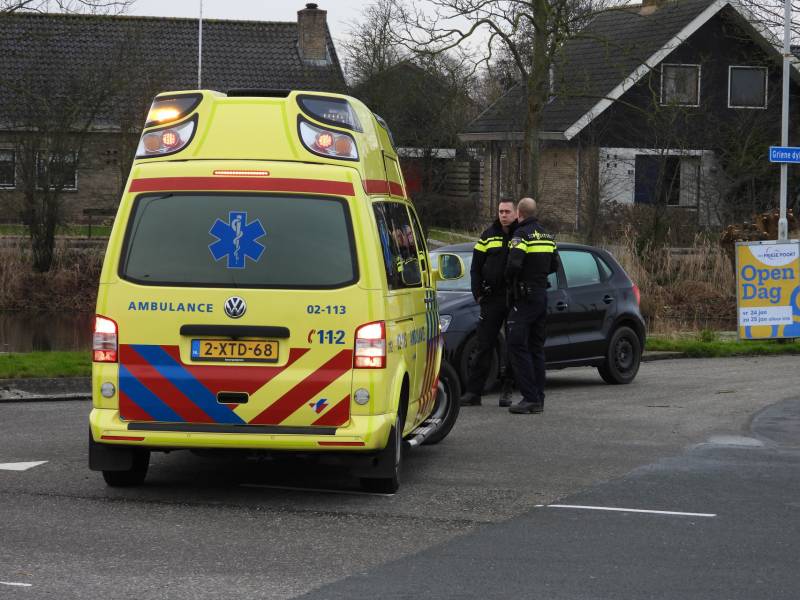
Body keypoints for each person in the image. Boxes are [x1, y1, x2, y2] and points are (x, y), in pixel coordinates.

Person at [459, 199, 518, 407]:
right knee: (483, 344)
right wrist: (477, 293)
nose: (503, 215)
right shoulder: (488, 235)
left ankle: (507, 391)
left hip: (514, 297)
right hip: (491, 298)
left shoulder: (520, 235)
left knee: (512, 346)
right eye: (501, 211)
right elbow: (476, 266)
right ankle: (474, 392)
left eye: (507, 211)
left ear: (516, 213)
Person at [504, 197, 559, 414]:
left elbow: (513, 264)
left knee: (517, 345)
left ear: (519, 213)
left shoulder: (521, 234)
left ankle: (529, 397)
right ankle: (539, 398)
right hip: (541, 295)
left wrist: (510, 282)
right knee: (536, 347)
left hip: (524, 297)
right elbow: (555, 264)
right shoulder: (547, 235)